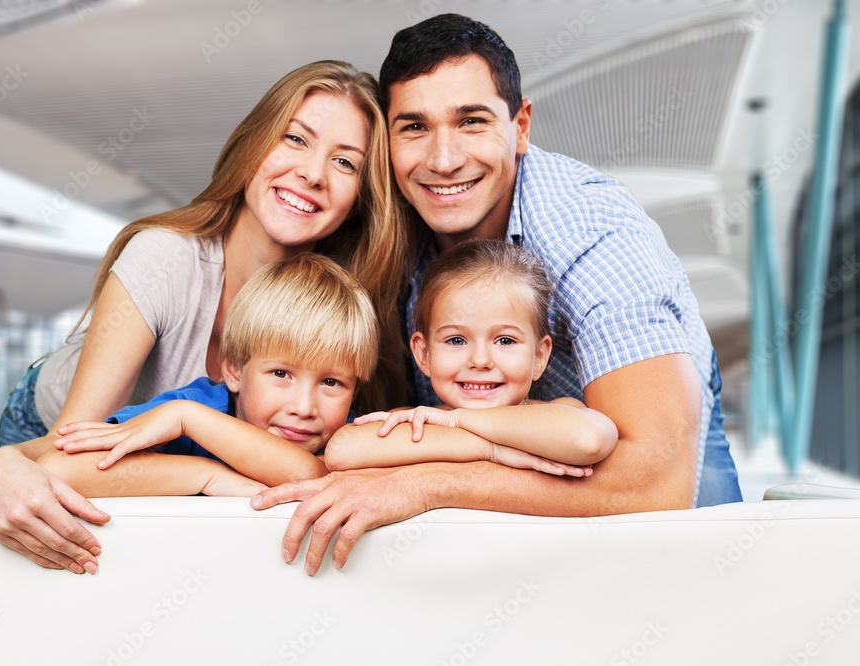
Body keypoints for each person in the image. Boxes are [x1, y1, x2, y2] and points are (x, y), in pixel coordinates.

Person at [251, 14, 743, 576]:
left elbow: (656, 480)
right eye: (414, 127)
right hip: (490, 449)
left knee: (693, 579)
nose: (443, 159)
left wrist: (427, 484)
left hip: (642, 445)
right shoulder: (387, 220)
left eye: (471, 122)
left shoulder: (595, 235)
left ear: (522, 125)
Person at [0, 61, 409, 574]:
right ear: (254, 145)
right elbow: (66, 452)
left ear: (360, 198)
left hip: (172, 454)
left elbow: (316, 469)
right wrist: (3, 465)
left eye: (345, 163)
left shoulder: (336, 304)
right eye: (295, 139)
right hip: (52, 425)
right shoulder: (164, 259)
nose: (313, 174)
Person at [41, 253, 377, 498]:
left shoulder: (347, 437)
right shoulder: (190, 407)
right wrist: (207, 476)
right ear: (233, 370)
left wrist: (187, 419)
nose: (304, 407)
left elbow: (307, 473)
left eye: (331, 382)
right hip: (45, 390)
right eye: (280, 373)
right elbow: (57, 470)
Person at [324, 239, 616, 475]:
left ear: (539, 357)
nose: (480, 360)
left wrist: (457, 422)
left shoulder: (557, 412)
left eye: (504, 340)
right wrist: (489, 450)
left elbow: (588, 440)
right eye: (456, 340)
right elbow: (341, 451)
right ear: (423, 354)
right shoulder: (413, 422)